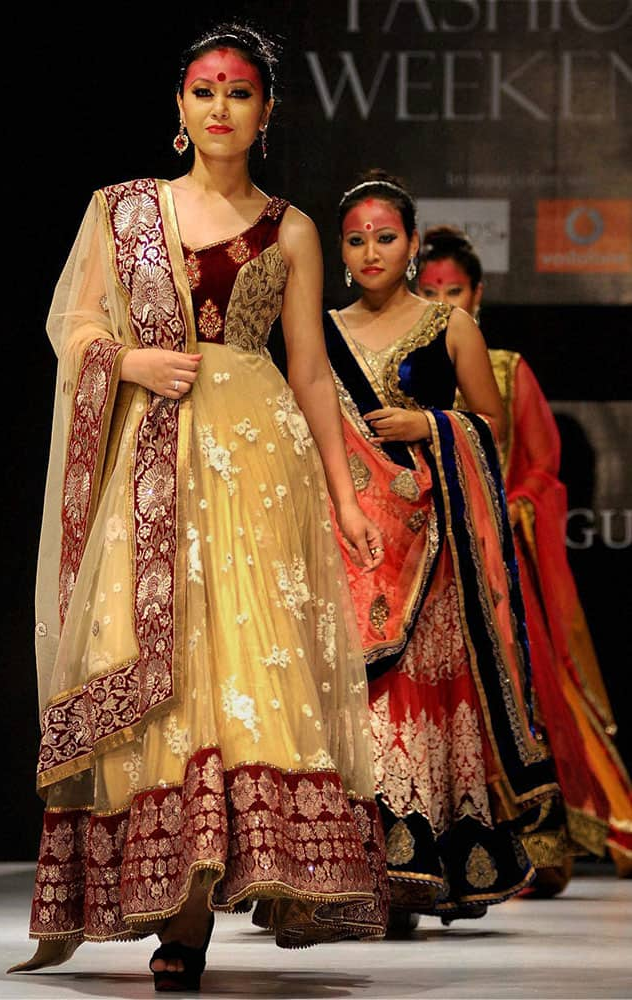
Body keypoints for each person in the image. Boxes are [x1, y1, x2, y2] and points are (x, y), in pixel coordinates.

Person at [8, 24, 389, 994]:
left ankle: (211, 895)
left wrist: (346, 497)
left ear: (265, 114)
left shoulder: (292, 228)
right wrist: (127, 359)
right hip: (151, 458)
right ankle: (173, 903)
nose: (220, 107)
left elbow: (308, 370)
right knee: (156, 672)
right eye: (203, 90)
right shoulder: (121, 210)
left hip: (257, 463)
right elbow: (75, 323)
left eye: (240, 93)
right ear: (179, 108)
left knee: (245, 670)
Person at [318, 169, 559, 932]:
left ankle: (414, 873)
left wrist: (430, 427)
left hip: (428, 548)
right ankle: (335, 874)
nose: (369, 251)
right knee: (350, 699)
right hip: (346, 539)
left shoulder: (445, 324)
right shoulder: (320, 327)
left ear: (413, 244)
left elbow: (490, 424)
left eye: (385, 237)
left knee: (414, 700)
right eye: (356, 239)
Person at [418, 224, 632, 887]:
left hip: (496, 561)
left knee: (523, 694)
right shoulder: (406, 368)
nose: (446, 303)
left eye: (455, 291)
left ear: (478, 294)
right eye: (430, 292)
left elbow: (542, 468)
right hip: (422, 560)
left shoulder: (506, 370)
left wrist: (513, 508)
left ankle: (539, 841)